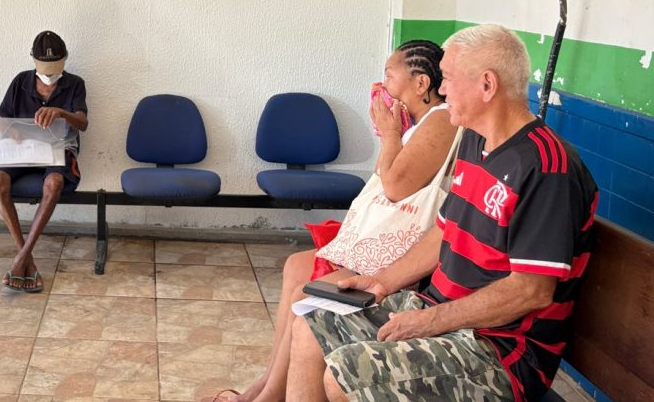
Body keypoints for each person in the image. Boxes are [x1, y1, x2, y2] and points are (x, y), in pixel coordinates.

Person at [287, 24, 598, 401]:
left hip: (498, 350)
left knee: (347, 376)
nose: (443, 89)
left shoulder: (546, 168)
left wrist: (430, 321)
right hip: (441, 312)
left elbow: (529, 291)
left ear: (487, 85)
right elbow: (444, 231)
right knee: (308, 328)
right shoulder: (474, 140)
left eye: (448, 78)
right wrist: (382, 282)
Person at [224, 40, 459, 402]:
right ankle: (268, 384)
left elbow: (395, 187)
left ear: (421, 83)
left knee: (306, 294)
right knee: (296, 266)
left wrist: (390, 134)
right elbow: (388, 175)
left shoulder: (440, 120)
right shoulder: (418, 122)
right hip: (380, 240)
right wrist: (393, 133)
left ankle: (268, 393)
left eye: (389, 74)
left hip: (402, 254)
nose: (383, 83)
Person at [0, 30, 88, 292]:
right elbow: (3, 119)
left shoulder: (75, 83)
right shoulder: (21, 81)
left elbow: (83, 122)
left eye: (55, 68)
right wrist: (14, 131)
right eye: (44, 69)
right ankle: (25, 258)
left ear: (65, 59)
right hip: (21, 150)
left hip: (57, 148)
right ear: (33, 60)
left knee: (54, 183)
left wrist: (61, 112)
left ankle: (20, 260)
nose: (49, 75)